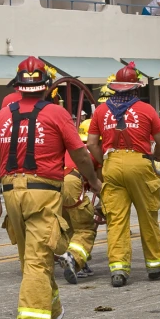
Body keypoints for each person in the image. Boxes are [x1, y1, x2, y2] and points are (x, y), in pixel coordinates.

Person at [0, 56, 101, 319]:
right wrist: (95, 181)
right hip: (43, 192)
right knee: (38, 260)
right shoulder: (56, 113)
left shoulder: (1, 116)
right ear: (47, 86)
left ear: (19, 86)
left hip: (11, 193)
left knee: (32, 259)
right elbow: (80, 154)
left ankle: (53, 312)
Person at [87, 62, 160, 288]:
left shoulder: (101, 111)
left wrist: (105, 160)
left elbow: (92, 143)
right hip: (139, 163)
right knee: (147, 216)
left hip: (111, 165)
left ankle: (118, 270)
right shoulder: (146, 110)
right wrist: (156, 156)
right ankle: (155, 265)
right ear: (135, 89)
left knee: (116, 219)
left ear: (115, 88)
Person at [59, 119, 100, 283]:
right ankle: (74, 259)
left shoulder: (69, 147)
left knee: (69, 228)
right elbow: (99, 184)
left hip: (54, 185)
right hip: (72, 183)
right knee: (85, 228)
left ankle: (81, 265)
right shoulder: (93, 150)